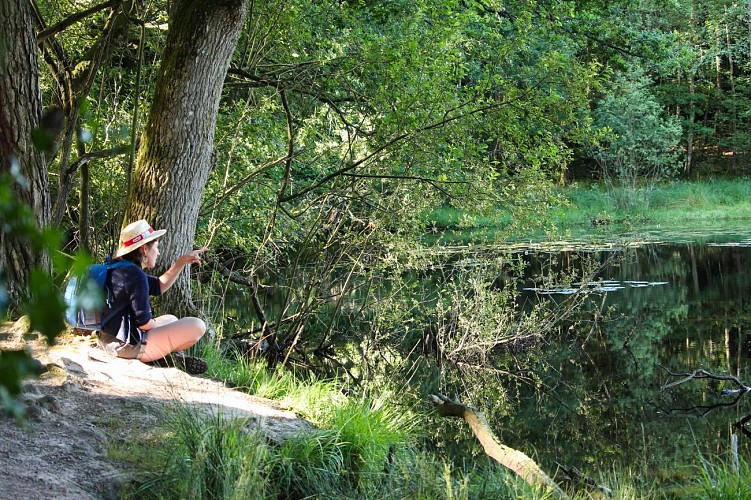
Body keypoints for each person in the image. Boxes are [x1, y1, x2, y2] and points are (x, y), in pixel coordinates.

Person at [98, 219, 208, 374]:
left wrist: (180, 263)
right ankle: (166, 355)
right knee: (197, 326)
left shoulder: (118, 267)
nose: (158, 252)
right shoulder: (135, 275)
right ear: (144, 249)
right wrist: (164, 329)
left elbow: (158, 286)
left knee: (171, 319)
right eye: (156, 247)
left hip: (108, 339)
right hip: (127, 346)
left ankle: (167, 355)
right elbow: (143, 323)